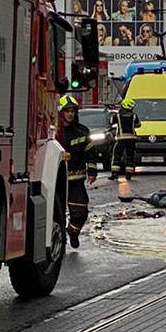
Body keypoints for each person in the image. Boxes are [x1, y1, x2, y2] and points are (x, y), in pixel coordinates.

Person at [57, 95, 95, 249]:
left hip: (76, 179)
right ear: (61, 113)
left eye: (72, 111)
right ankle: (58, 242)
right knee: (56, 214)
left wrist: (92, 172)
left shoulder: (82, 131)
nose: (70, 114)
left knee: (80, 212)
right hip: (57, 182)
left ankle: (73, 232)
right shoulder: (54, 132)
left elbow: (91, 152)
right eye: (67, 111)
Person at [111, 99, 137, 180]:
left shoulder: (118, 115)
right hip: (132, 139)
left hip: (121, 139)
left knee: (117, 155)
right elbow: (139, 124)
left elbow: (111, 121)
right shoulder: (134, 115)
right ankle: (129, 174)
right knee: (130, 156)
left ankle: (115, 174)